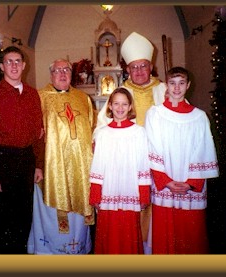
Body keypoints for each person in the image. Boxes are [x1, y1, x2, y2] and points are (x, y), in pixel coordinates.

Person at [94, 31, 167, 254]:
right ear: (127, 69)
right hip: (125, 169)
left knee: (154, 216)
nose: (139, 71)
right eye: (134, 67)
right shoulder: (120, 94)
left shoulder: (164, 90)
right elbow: (101, 129)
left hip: (157, 165)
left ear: (151, 66)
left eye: (143, 66)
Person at [0, 46, 45, 254]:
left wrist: (38, 165)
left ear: (24, 65)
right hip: (2, 161)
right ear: (1, 66)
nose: (13, 66)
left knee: (24, 217)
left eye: (17, 62)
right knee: (1, 220)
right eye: (9, 61)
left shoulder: (33, 95)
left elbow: (38, 134)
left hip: (26, 161)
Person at [144, 66, 219, 254]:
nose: (176, 88)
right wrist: (165, 181)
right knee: (165, 237)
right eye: (172, 83)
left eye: (181, 83)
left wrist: (192, 184)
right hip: (164, 186)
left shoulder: (199, 117)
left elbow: (203, 151)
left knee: (191, 236)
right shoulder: (155, 114)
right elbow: (152, 147)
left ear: (188, 85)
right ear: (166, 86)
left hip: (190, 189)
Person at [27, 59, 95, 254]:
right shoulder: (39, 97)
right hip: (51, 169)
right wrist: (37, 164)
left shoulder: (83, 98)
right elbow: (34, 134)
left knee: (77, 217)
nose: (62, 73)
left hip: (80, 169)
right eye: (57, 70)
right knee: (51, 212)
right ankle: (50, 252)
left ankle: (78, 249)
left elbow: (91, 130)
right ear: (51, 74)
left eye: (66, 69)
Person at [89, 87, 152, 254]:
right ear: (109, 106)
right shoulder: (102, 134)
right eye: (116, 103)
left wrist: (144, 192)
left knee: (128, 234)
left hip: (130, 191)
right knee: (108, 233)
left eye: (124, 104)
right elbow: (97, 165)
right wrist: (95, 192)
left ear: (130, 107)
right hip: (108, 192)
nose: (120, 108)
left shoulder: (139, 132)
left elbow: (143, 164)